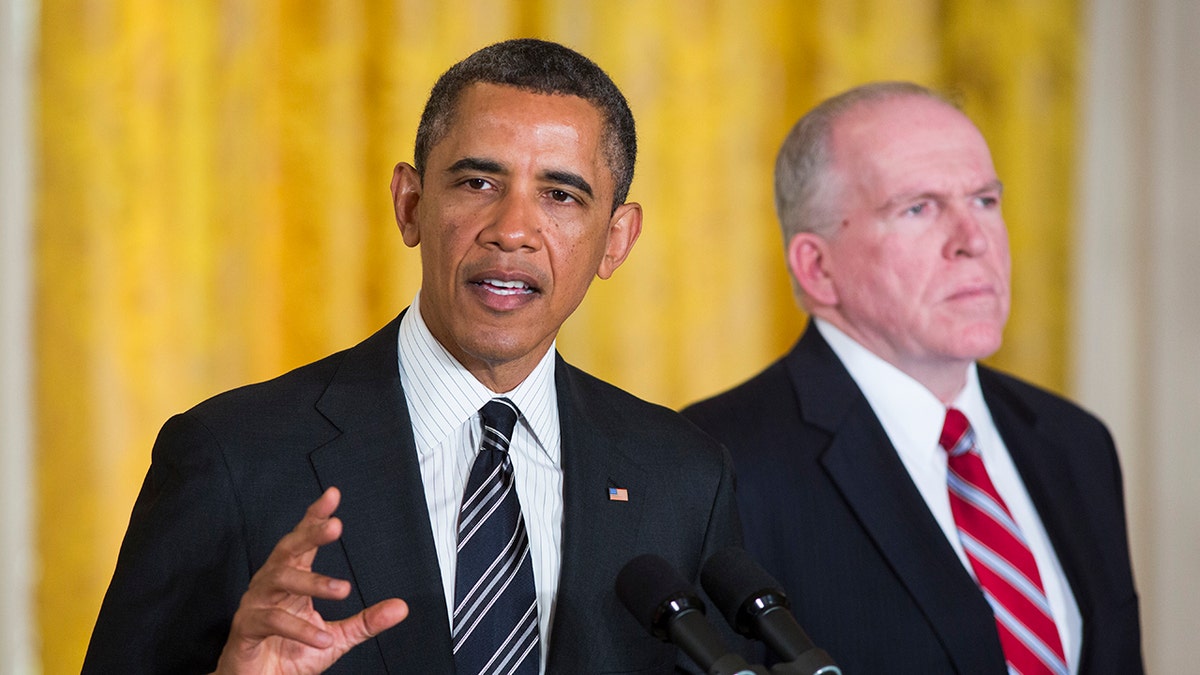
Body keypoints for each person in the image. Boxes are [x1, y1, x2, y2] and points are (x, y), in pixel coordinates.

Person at [84, 39, 740, 674]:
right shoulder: (231, 456)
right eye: (479, 181)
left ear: (616, 241)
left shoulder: (682, 478)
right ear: (410, 205)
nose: (512, 230)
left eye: (560, 195)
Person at [682, 82, 1143, 674]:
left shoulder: (1076, 442)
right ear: (818, 268)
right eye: (918, 209)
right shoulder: (714, 464)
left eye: (984, 201)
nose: (974, 241)